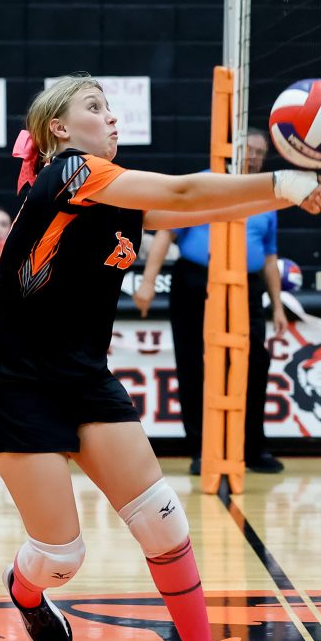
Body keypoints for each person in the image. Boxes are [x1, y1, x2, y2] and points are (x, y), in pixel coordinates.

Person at [0, 73, 321, 641]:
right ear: (60, 128)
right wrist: (281, 181)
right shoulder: (70, 173)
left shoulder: (117, 195)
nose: (110, 117)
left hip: (84, 379)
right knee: (61, 556)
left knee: (163, 519)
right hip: (15, 384)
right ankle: (26, 589)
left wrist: (288, 196)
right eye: (94, 107)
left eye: (111, 107)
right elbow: (183, 189)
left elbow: (203, 208)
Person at [134, 127, 287, 477]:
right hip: (195, 281)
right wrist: (147, 283)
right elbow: (165, 234)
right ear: (233, 149)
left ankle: (253, 448)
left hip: (246, 286)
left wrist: (277, 305)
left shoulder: (267, 193)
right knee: (193, 364)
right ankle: (203, 449)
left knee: (254, 362)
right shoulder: (206, 182)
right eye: (248, 149)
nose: (253, 156)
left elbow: (269, 258)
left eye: (260, 152)